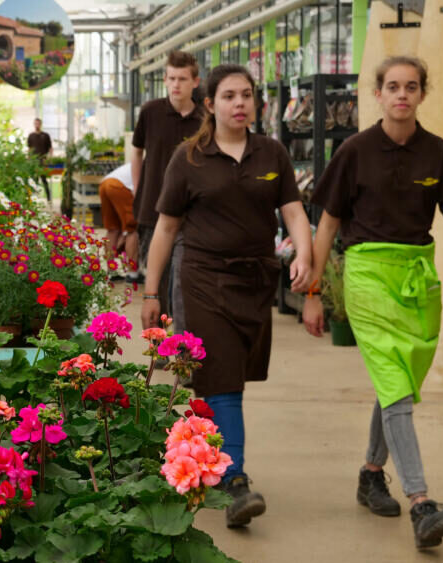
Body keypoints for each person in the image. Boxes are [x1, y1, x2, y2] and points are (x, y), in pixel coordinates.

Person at [302, 56, 443, 549]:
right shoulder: (355, 151)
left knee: (398, 382)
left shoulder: (438, 153)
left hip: (417, 279)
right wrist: (314, 294)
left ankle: (369, 472)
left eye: (411, 86)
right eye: (392, 86)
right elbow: (327, 225)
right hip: (366, 276)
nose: (401, 94)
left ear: (422, 94)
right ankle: (421, 501)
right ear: (377, 94)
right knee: (396, 387)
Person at [141, 64, 313, 529]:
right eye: (230, 96)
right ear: (211, 104)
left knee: (225, 377)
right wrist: (151, 291)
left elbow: (294, 212)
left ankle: (197, 460)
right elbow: (166, 228)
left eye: (247, 95)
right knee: (224, 380)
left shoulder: (271, 153)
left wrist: (304, 253)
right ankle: (234, 479)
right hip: (201, 279)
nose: (240, 103)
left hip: (255, 280)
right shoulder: (190, 158)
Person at [131, 51, 204, 334]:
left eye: (183, 79)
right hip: (152, 209)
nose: (176, 84)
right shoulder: (150, 112)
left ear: (195, 82)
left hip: (191, 215)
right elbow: (137, 152)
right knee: (156, 280)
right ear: (164, 79)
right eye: (171, 78)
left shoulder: (205, 117)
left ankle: (184, 347)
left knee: (183, 282)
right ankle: (158, 347)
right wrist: (139, 188)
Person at [98, 162, 140, 281]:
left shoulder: (142, 162)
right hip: (120, 186)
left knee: (112, 229)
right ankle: (133, 274)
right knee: (132, 229)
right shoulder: (154, 167)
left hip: (105, 183)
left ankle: (111, 270)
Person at [26, 118, 52, 202]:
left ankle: (49, 199)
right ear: (34, 124)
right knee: (34, 180)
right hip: (34, 162)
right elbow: (29, 149)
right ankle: (35, 199)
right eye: (35, 123)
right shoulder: (31, 136)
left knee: (44, 180)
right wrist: (29, 159)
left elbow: (50, 148)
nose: (37, 125)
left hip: (43, 161)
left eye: (38, 124)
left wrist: (49, 158)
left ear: (40, 124)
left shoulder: (45, 135)